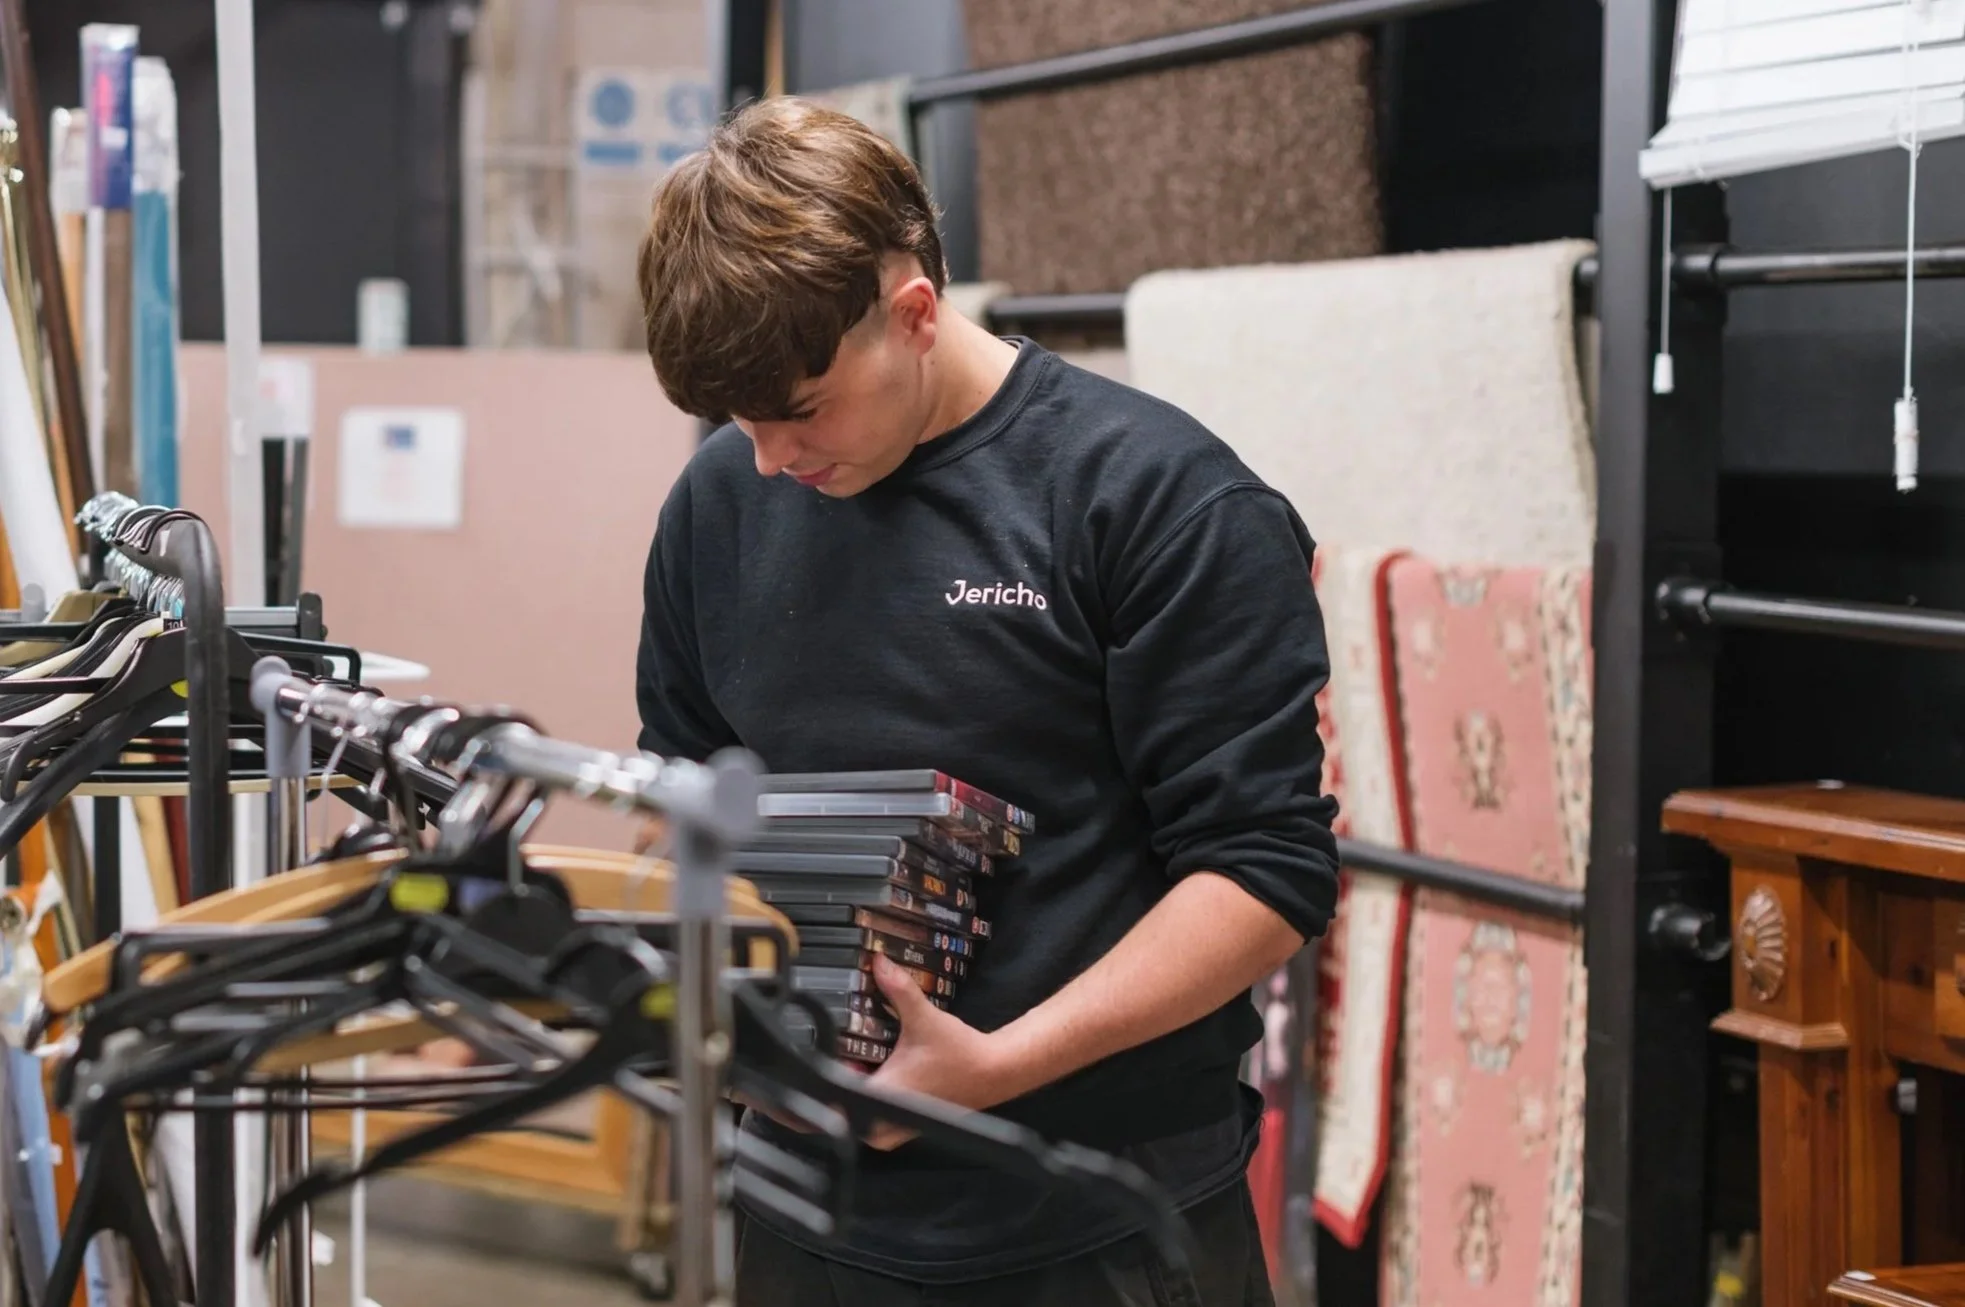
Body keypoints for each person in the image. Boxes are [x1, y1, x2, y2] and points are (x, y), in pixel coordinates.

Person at [632, 95, 1340, 1307]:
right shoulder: (718, 505)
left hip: (1104, 1220)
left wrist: (993, 1065)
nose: (766, 461)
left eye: (797, 413)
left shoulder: (1158, 501)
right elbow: (683, 788)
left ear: (912, 314)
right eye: (736, 423)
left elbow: (1265, 873)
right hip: (808, 1219)